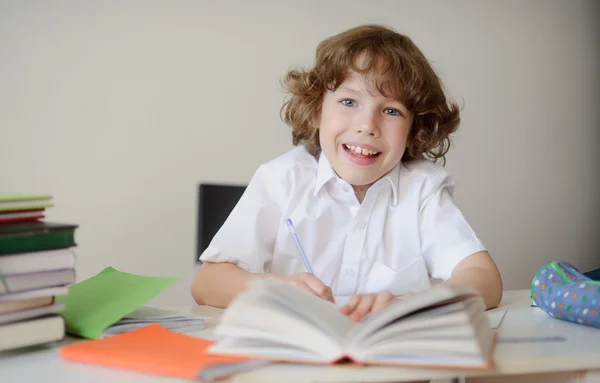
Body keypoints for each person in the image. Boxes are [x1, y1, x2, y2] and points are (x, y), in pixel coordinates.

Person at [191, 24, 502, 321]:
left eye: (391, 111)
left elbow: (485, 279)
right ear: (316, 111)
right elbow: (206, 284)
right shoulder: (281, 180)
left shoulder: (422, 190)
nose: (367, 125)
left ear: (412, 130)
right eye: (349, 101)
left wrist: (417, 305)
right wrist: (273, 288)